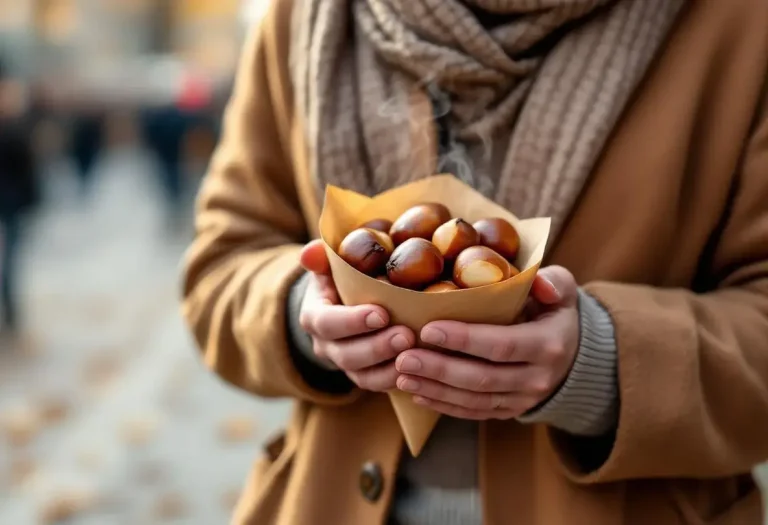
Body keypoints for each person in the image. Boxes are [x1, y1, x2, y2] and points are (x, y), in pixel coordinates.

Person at [182, 0, 768, 523]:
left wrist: (601, 364)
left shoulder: (739, 25)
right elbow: (220, 266)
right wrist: (303, 314)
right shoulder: (304, 18)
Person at [0, 61, 38, 338]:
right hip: (12, 201)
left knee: (11, 263)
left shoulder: (17, 125)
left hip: (12, 202)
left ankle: (11, 312)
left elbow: (28, 169)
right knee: (10, 262)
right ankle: (10, 312)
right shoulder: (16, 125)